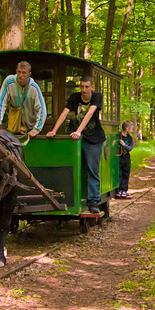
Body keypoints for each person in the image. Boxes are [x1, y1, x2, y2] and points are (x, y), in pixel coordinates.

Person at [46, 74, 105, 213]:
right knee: (70, 167)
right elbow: (64, 113)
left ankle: (93, 202)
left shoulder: (97, 97)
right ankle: (68, 199)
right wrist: (54, 130)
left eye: (86, 87)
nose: (83, 90)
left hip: (94, 138)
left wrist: (79, 131)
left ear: (92, 87)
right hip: (76, 138)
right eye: (81, 87)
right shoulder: (75, 97)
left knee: (92, 169)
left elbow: (90, 114)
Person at [0, 61, 45, 140]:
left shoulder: (34, 88)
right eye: (19, 72)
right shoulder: (9, 82)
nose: (20, 75)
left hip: (30, 127)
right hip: (13, 126)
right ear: (16, 71)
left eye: (24, 73)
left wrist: (36, 129)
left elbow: (42, 110)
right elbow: (1, 102)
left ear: (29, 74)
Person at [115, 121, 135, 198]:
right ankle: (119, 189)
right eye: (131, 129)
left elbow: (130, 148)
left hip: (126, 158)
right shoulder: (118, 136)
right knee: (119, 174)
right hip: (119, 158)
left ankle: (124, 190)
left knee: (126, 173)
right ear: (127, 129)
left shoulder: (130, 138)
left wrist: (124, 145)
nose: (132, 131)